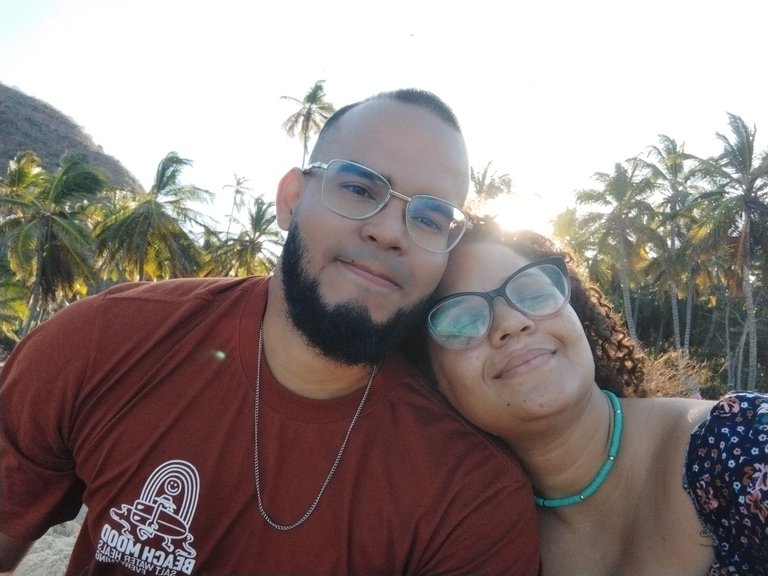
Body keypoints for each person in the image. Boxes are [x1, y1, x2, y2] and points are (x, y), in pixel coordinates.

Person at [0, 90, 541, 575]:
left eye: (428, 218)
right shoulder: (103, 342)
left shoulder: (470, 494)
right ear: (290, 199)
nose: (389, 232)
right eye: (359, 188)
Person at [416, 218, 768, 576]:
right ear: (431, 378)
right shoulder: (474, 546)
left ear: (576, 312)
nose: (511, 323)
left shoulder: (742, 443)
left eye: (532, 292)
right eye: (462, 321)